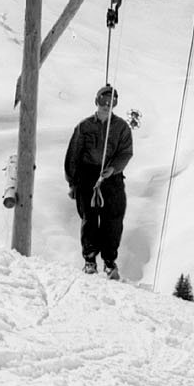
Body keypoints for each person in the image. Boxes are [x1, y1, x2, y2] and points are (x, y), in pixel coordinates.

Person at [63, 84, 134, 278]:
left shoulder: (121, 128)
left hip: (112, 177)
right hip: (88, 177)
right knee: (90, 219)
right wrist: (72, 183)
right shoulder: (84, 127)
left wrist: (114, 168)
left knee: (114, 219)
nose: (106, 105)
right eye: (103, 100)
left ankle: (109, 262)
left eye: (111, 102)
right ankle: (90, 260)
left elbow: (126, 153)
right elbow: (73, 155)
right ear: (96, 101)